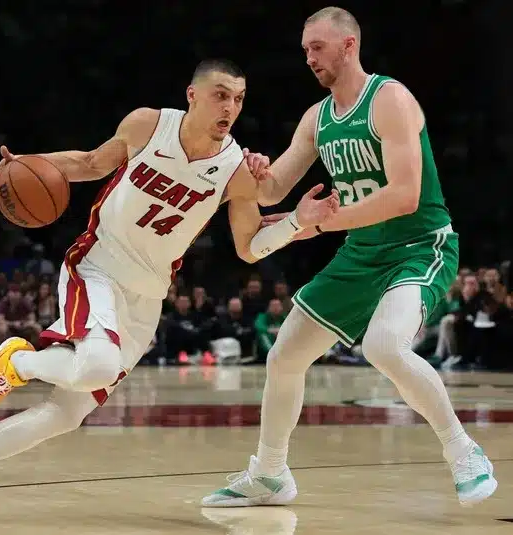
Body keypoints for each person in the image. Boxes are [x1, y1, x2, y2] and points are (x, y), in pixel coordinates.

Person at [0, 58, 340, 524]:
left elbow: (250, 248)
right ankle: (17, 363)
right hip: (96, 267)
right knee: (96, 364)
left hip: (146, 297)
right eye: (219, 94)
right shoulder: (148, 124)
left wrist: (299, 222)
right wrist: (26, 165)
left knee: (66, 414)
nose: (229, 106)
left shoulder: (236, 169)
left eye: (237, 98)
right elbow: (90, 163)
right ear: (191, 95)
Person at [201, 7, 496, 509]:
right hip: (361, 252)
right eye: (304, 50)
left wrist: (321, 222)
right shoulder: (318, 119)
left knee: (384, 345)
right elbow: (273, 190)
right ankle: (270, 474)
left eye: (317, 47)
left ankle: (463, 449)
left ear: (348, 45)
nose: (309, 57)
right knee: (285, 354)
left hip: (419, 246)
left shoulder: (390, 99)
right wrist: (256, 171)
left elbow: (405, 195)